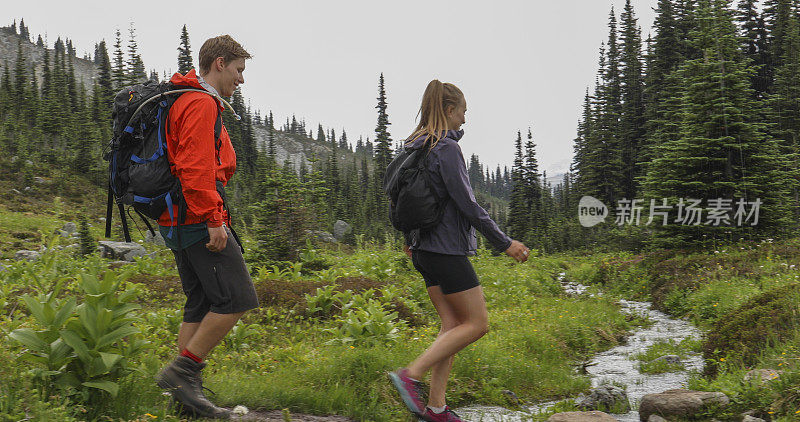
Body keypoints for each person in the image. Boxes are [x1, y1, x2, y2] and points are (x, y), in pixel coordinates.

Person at [388, 80, 530, 422]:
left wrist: (410, 237)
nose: (465, 119)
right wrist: (504, 242)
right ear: (449, 110)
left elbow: (403, 195)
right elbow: (466, 203)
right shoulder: (446, 148)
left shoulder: (414, 144)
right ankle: (411, 375)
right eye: (463, 111)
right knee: (477, 323)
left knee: (451, 324)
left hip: (422, 250)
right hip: (446, 250)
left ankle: (436, 408)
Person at [155, 35, 258, 419]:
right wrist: (214, 220)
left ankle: (184, 402)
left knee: (199, 301)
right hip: (197, 217)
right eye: (239, 70)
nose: (241, 80)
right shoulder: (199, 103)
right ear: (219, 63)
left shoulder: (183, 98)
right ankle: (181, 374)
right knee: (237, 298)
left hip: (177, 218)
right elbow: (196, 168)